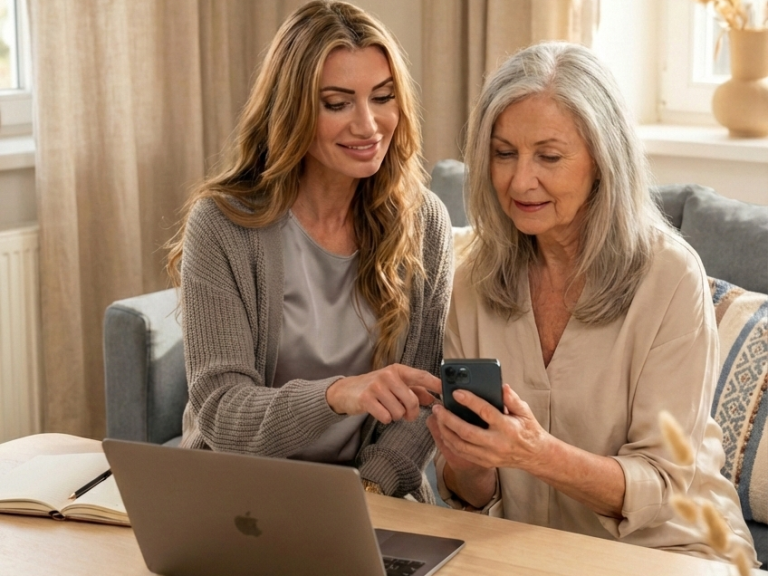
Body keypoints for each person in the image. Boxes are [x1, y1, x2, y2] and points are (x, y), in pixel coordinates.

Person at [427, 41, 759, 565]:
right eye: (504, 152)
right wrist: (469, 459)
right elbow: (472, 495)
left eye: (549, 157)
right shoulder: (471, 283)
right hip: (533, 552)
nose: (520, 180)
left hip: (674, 550)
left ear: (602, 160)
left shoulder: (669, 278)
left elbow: (662, 481)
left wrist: (533, 453)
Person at [166, 0, 452, 503]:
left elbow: (425, 400)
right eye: (337, 103)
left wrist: (366, 490)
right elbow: (221, 408)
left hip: (373, 498)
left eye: (382, 97)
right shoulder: (222, 224)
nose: (368, 125)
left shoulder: (425, 222)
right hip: (243, 501)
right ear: (293, 109)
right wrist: (337, 395)